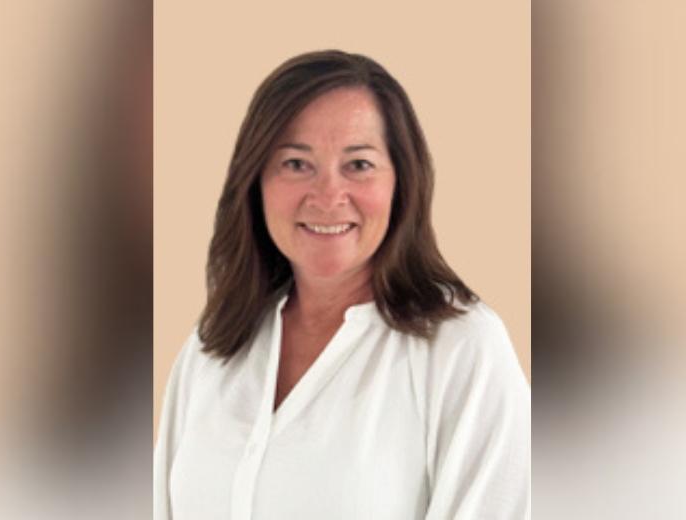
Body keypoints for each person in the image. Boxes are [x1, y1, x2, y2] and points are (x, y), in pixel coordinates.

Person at [154, 49, 530, 520]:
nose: (328, 196)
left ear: (402, 183)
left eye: (359, 165)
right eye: (296, 164)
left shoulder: (461, 349)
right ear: (256, 183)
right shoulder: (212, 347)